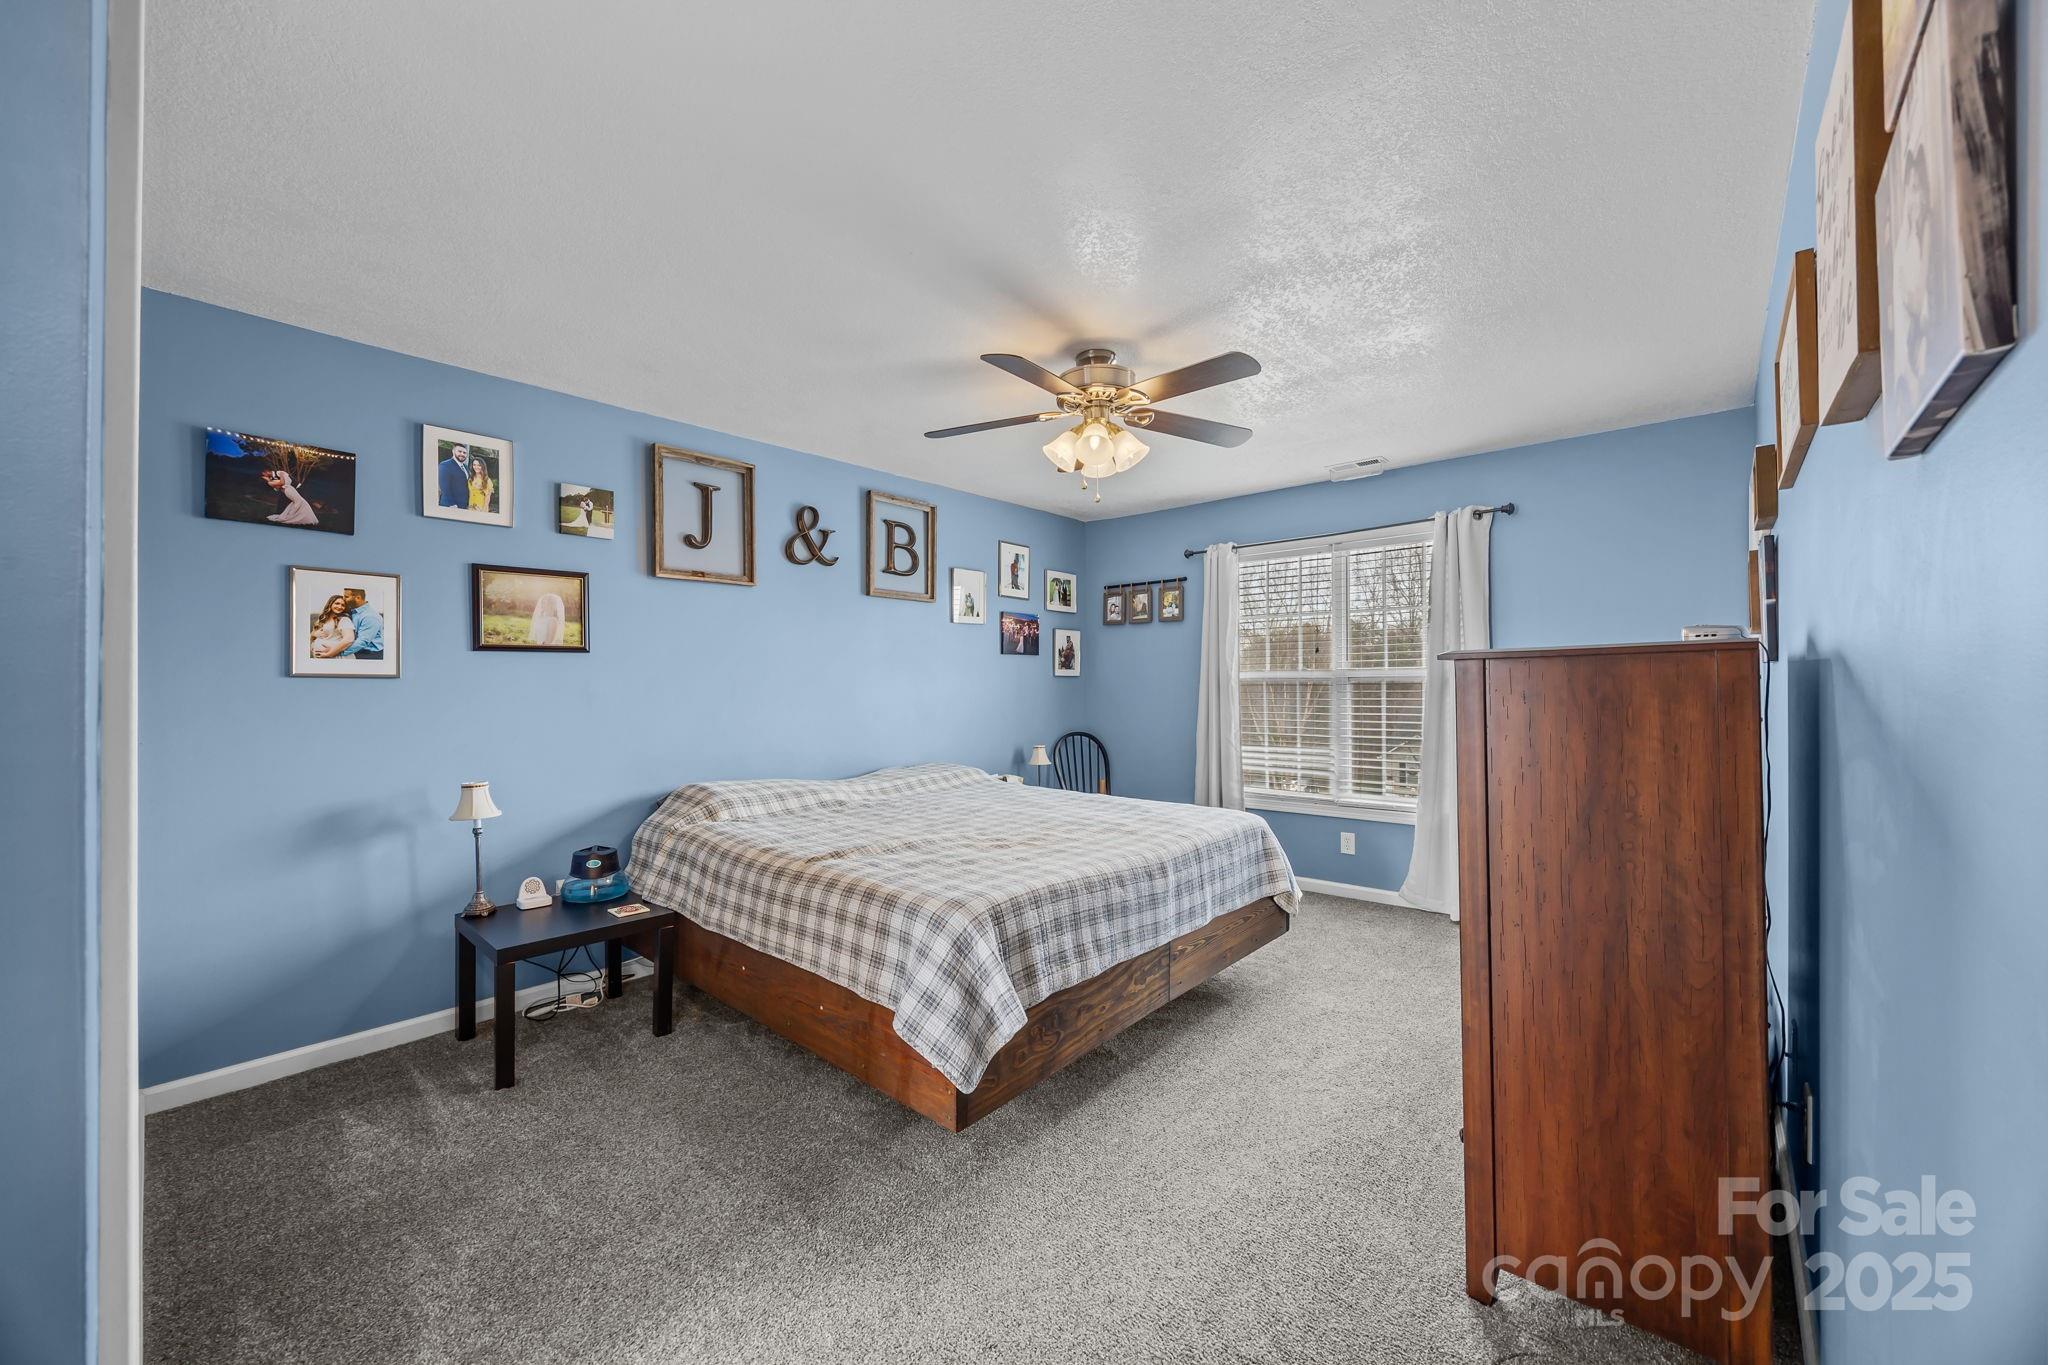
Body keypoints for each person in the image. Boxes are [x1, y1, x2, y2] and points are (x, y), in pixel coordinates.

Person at [312, 586, 385, 661]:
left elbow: (362, 642)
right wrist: (314, 634)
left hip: (369, 655)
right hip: (355, 652)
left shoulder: (370, 616)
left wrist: (335, 652)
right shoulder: (351, 611)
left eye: (346, 596)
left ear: (358, 598)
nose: (343, 598)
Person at [437, 442, 471, 509]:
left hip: (463, 505)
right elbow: (444, 487)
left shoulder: (466, 467)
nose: (462, 454)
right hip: (450, 505)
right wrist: (452, 504)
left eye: (464, 453)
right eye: (459, 451)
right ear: (453, 451)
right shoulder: (445, 465)